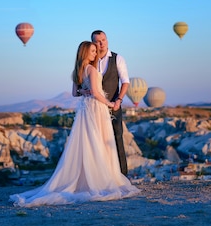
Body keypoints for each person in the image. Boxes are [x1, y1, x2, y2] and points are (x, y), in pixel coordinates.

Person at [9, 41, 140, 207]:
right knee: (99, 143)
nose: (95, 53)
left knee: (88, 142)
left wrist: (84, 91)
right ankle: (100, 179)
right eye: (92, 51)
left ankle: (87, 177)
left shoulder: (77, 71)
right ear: (85, 53)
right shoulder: (92, 69)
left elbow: (74, 92)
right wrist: (110, 104)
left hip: (85, 109)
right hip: (96, 108)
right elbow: (95, 93)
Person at [85, 30, 130, 175]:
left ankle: (123, 176)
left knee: (116, 139)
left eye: (103, 40)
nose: (101, 43)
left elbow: (125, 82)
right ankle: (102, 176)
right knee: (97, 142)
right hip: (95, 108)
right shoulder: (90, 60)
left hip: (114, 106)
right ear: (93, 43)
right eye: (97, 41)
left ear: (107, 40)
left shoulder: (117, 58)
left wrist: (119, 100)